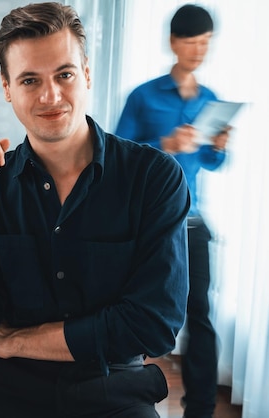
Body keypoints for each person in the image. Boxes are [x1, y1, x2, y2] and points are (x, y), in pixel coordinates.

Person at [0, 3, 191, 417]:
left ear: (87, 73)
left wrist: (17, 341)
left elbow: (154, 326)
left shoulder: (153, 177)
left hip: (113, 385)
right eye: (29, 80)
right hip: (4, 388)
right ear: (7, 88)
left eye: (65, 74)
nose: (50, 95)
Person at [115, 5, 228, 418]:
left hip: (193, 220)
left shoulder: (211, 99)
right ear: (173, 43)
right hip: (150, 223)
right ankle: (124, 396)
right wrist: (165, 146)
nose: (199, 51)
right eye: (192, 42)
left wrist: (216, 149)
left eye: (205, 43)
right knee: (137, 310)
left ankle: (200, 409)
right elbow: (118, 160)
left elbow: (214, 164)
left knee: (201, 315)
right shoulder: (143, 96)